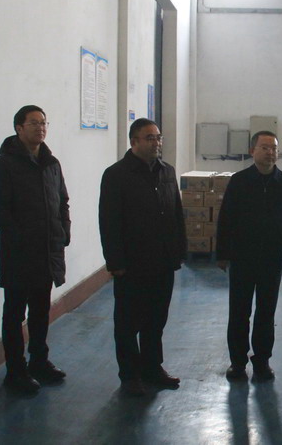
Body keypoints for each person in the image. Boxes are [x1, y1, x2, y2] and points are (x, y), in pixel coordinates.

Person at [99, 118, 186, 396]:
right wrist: (115, 262)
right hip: (133, 263)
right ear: (133, 141)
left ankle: (152, 368)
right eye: (150, 138)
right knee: (128, 323)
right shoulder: (116, 175)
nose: (156, 143)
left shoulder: (167, 171)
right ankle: (129, 375)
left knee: (156, 320)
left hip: (162, 261)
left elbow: (176, 213)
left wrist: (179, 251)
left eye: (158, 137)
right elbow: (109, 222)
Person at [0, 105, 70, 393]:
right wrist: (19, 239)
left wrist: (64, 232)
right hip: (19, 254)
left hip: (47, 252)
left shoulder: (51, 163)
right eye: (33, 122)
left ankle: (39, 362)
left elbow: (62, 201)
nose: (40, 127)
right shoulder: (4, 165)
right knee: (14, 314)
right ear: (19, 128)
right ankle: (15, 371)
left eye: (43, 122)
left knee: (40, 311)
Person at [216, 131, 282, 381]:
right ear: (252, 151)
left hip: (271, 258)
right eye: (264, 147)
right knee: (239, 312)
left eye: (273, 148)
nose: (270, 152)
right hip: (242, 257)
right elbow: (226, 218)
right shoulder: (239, 181)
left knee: (266, 312)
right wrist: (222, 253)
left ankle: (262, 361)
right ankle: (237, 363)